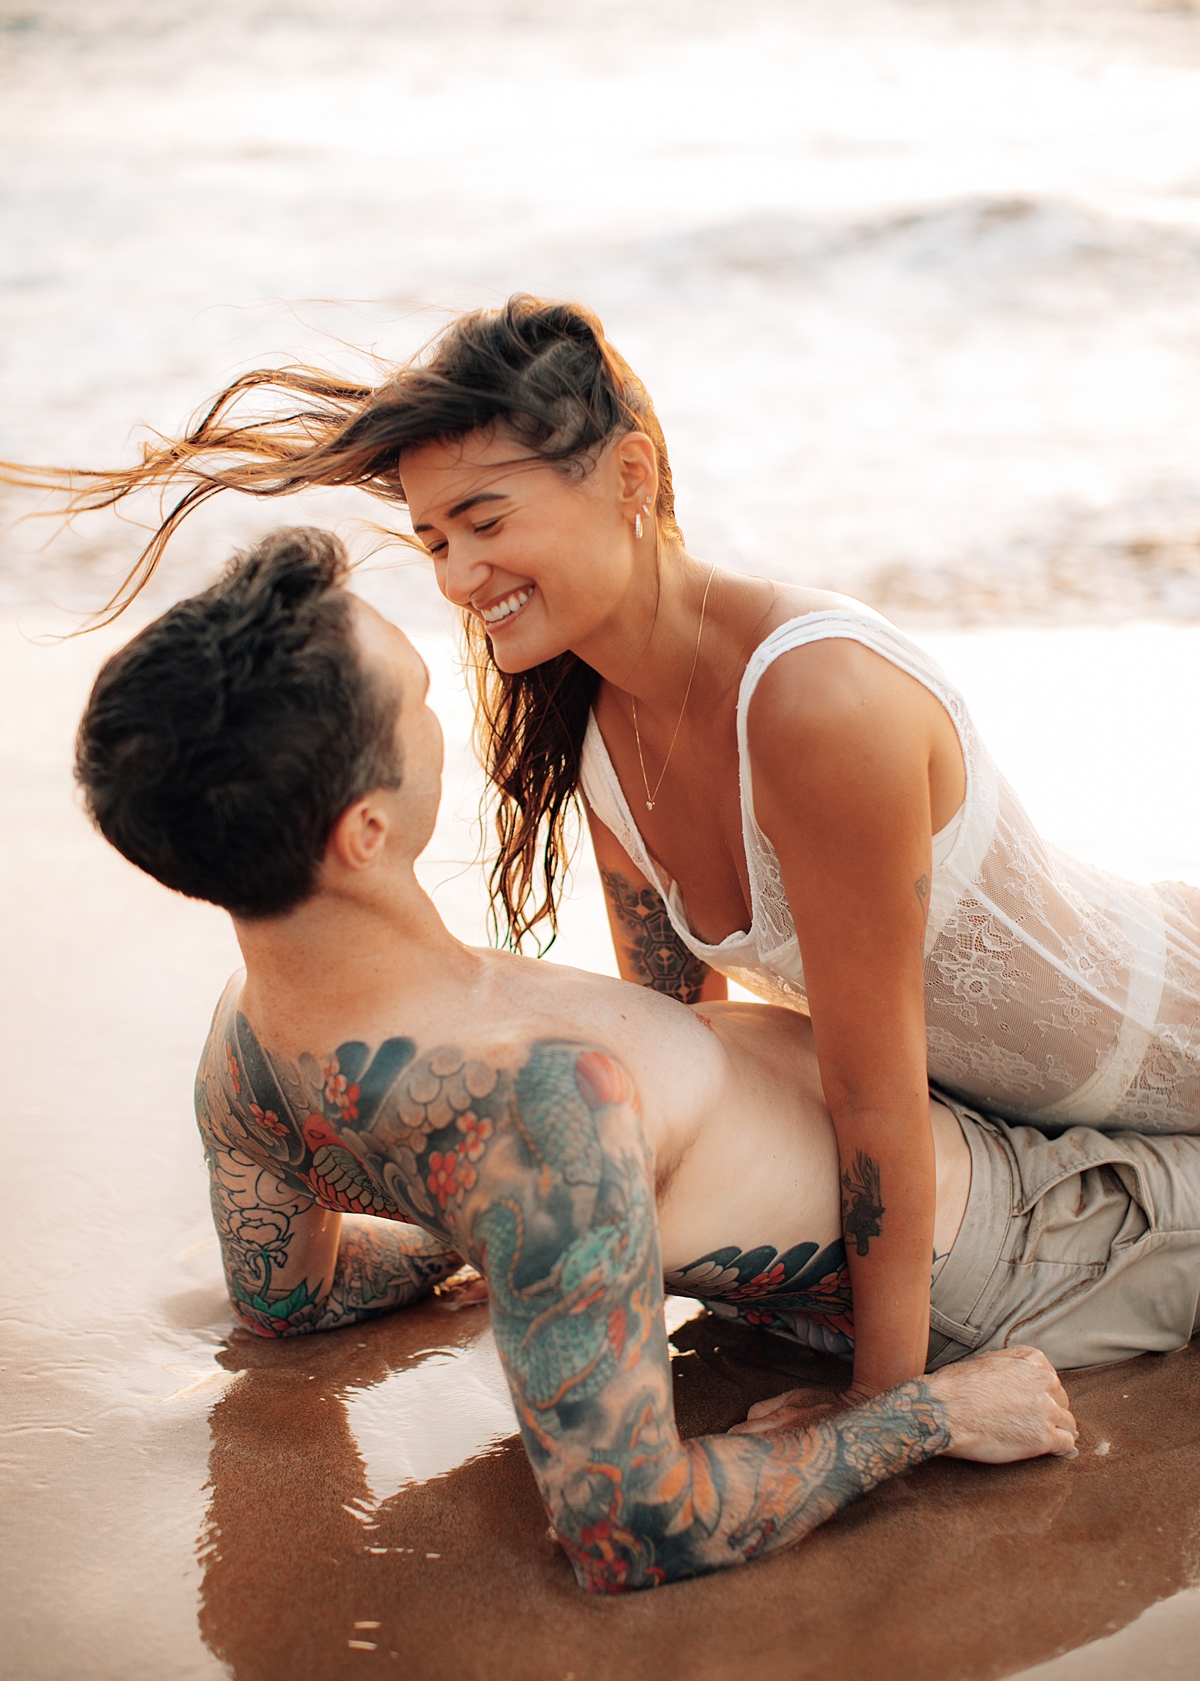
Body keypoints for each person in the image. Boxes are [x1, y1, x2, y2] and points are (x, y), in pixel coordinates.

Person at [12, 298, 1200, 1419]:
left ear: (629, 477)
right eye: (431, 539)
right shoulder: (592, 716)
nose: (458, 577)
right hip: (1007, 1119)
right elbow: (682, 1024)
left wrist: (889, 1399)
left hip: (1163, 1049)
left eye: (485, 521)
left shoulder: (815, 703)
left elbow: (870, 1093)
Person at [74, 528, 1200, 1591]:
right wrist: (931, 1415)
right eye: (414, 696)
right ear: (363, 833)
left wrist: (493, 1245)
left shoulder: (249, 1043)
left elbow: (287, 1296)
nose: (438, 699)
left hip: (927, 1148)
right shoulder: (537, 1108)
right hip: (1038, 1246)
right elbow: (630, 1529)